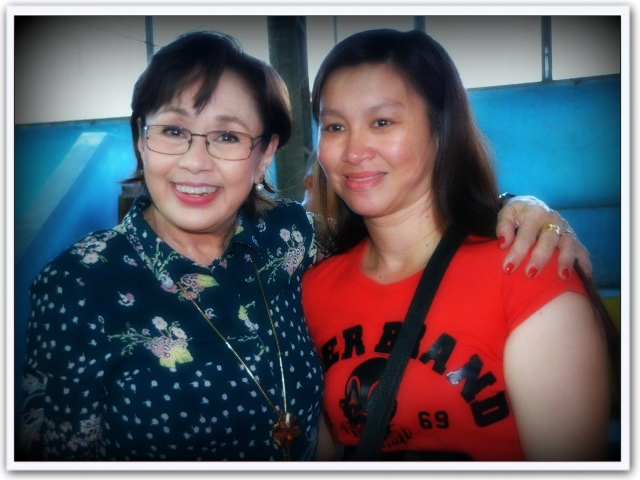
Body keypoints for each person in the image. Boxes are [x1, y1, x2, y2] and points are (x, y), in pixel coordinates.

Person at [17, 30, 592, 463]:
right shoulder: (80, 284)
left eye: (226, 136)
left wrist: (519, 207)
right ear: (140, 140)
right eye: (171, 131)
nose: (196, 162)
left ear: (265, 154)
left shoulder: (288, 240)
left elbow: (422, 234)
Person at [302, 29, 619, 461]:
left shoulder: (527, 270)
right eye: (335, 126)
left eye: (382, 122)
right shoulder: (314, 289)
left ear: (440, 128)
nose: (354, 151)